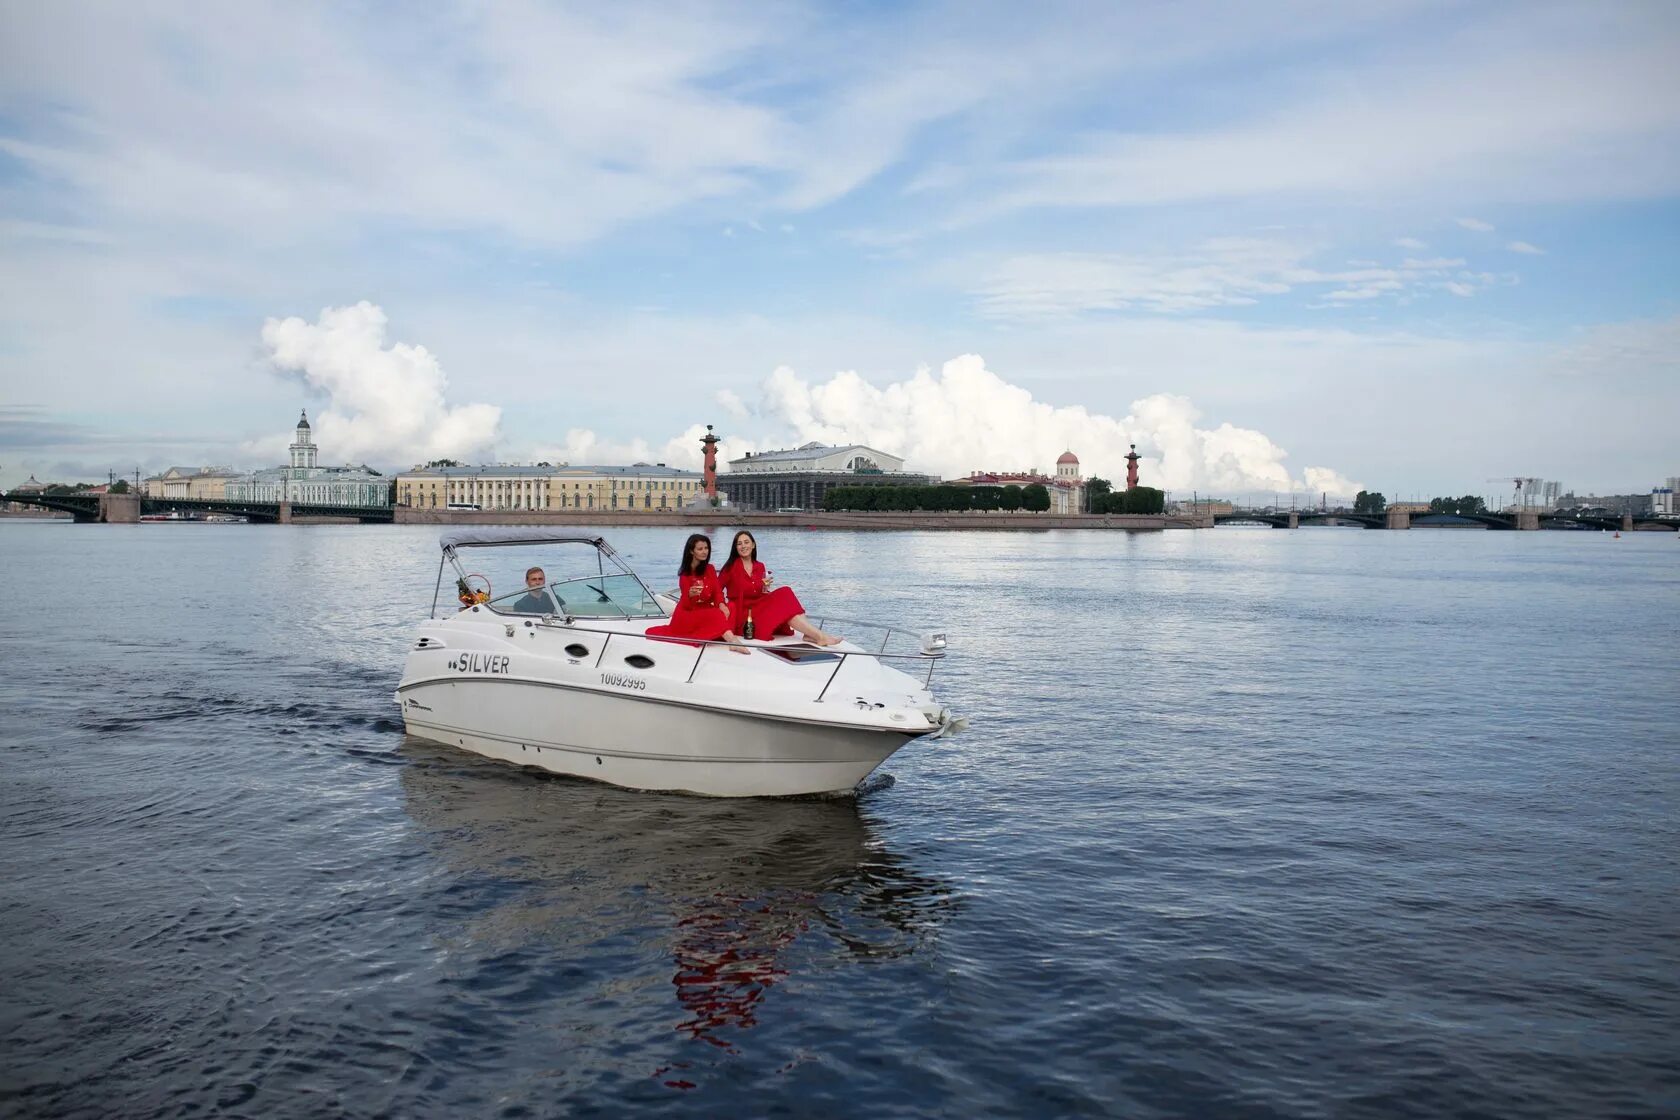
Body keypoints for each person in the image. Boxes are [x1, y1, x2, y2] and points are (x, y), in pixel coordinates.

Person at [718, 530, 843, 645]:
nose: (743, 546)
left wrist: (765, 587)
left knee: (786, 591)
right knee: (785, 601)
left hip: (759, 605)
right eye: (739, 544)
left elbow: (762, 593)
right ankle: (819, 636)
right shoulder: (730, 567)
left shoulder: (760, 566)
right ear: (736, 548)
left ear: (753, 545)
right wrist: (722, 605)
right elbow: (716, 590)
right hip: (744, 613)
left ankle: (810, 634)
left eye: (746, 542)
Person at [646, 534, 749, 652]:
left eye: (706, 548)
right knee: (715, 614)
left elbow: (717, 592)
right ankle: (733, 641)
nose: (704, 552)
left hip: (704, 610)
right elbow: (686, 605)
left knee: (730, 607)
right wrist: (690, 595)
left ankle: (720, 632)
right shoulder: (685, 575)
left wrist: (721, 603)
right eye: (700, 549)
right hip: (687, 614)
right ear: (691, 551)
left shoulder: (710, 568)